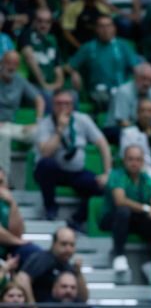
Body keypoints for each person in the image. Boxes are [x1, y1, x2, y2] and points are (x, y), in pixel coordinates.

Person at [33, 90, 112, 225]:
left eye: (67, 103)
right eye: (59, 103)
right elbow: (45, 152)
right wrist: (59, 130)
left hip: (76, 172)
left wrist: (107, 173)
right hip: (54, 172)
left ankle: (76, 220)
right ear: (52, 105)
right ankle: (50, 208)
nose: (63, 107)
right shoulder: (45, 124)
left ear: (72, 105)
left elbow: (103, 144)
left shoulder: (83, 119)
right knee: (45, 164)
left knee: (103, 187)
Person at [100, 144, 151, 282]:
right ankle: (119, 255)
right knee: (123, 212)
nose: (134, 163)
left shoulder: (146, 179)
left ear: (142, 162)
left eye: (137, 159)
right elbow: (120, 201)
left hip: (134, 219)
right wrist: (147, 209)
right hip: (112, 218)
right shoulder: (116, 174)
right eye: (130, 159)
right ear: (124, 160)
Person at [18, 226, 89, 304]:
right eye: (64, 244)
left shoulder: (69, 267)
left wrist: (78, 273)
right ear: (54, 244)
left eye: (72, 245)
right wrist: (32, 306)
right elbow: (22, 278)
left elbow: (83, 299)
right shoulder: (42, 259)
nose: (68, 249)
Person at [0, 50, 45, 174]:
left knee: (39, 132)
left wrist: (38, 122)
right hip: (1, 127)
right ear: (2, 63)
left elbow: (39, 100)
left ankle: (36, 174)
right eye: (9, 63)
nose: (11, 67)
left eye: (15, 64)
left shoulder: (19, 80)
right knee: (3, 135)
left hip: (12, 125)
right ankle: (4, 178)